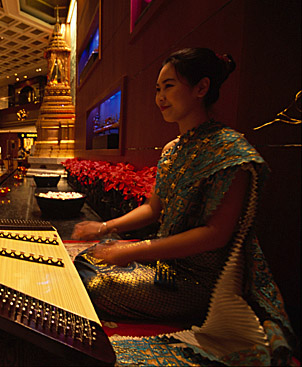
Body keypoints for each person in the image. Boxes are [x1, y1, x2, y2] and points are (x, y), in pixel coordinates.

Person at [72, 48, 294, 364]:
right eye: (158, 89)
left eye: (169, 86)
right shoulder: (172, 150)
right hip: (164, 263)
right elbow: (153, 209)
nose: (160, 97)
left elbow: (215, 235)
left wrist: (130, 251)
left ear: (201, 88)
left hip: (201, 281)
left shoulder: (230, 151)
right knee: (86, 259)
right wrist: (105, 228)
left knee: (93, 282)